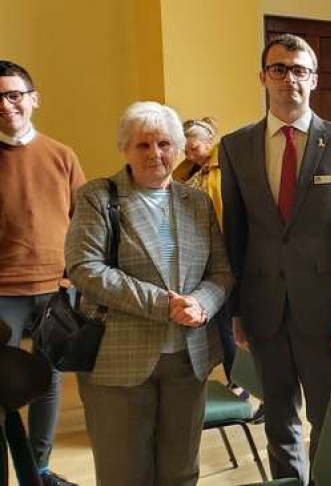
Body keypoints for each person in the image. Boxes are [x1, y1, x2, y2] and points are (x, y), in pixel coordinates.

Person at [220, 33, 331, 482]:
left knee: (330, 418)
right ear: (264, 78)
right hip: (264, 310)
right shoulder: (235, 146)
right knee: (279, 420)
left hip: (326, 315)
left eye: (299, 69)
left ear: (314, 79)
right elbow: (236, 235)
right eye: (279, 69)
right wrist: (236, 311)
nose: (290, 79)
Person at [65, 101, 233, 485]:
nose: (155, 154)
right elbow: (84, 268)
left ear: (176, 148)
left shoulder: (197, 202)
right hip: (120, 360)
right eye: (143, 145)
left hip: (187, 361)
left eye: (164, 144)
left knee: (181, 471)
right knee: (125, 473)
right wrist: (164, 305)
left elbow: (221, 271)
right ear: (125, 148)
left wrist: (201, 304)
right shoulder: (98, 196)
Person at [0, 59, 85, 486]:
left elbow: (84, 221)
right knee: (0, 389)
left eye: (14, 95)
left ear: (33, 99)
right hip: (2, 295)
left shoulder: (62, 155)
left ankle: (39, 470)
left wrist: (73, 276)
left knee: (48, 381)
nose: (6, 104)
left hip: (55, 288)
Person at [173, 117, 239, 385]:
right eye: (185, 149)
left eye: (193, 148)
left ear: (209, 144)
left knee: (227, 321)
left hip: (223, 254)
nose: (188, 154)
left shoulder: (221, 168)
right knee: (215, 322)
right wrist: (190, 161)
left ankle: (240, 382)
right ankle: (233, 378)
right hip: (199, 257)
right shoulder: (189, 171)